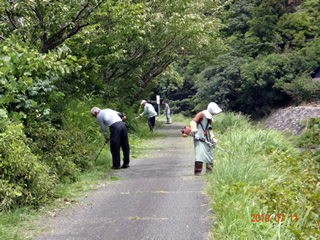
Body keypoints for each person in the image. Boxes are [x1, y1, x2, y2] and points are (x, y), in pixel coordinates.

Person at [190, 102, 222, 175]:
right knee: (200, 152)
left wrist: (213, 138)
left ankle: (209, 171)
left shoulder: (210, 118)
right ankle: (198, 172)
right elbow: (193, 122)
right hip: (199, 136)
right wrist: (195, 132)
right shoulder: (201, 114)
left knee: (210, 152)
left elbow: (209, 129)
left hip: (206, 137)